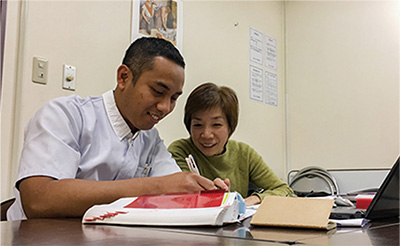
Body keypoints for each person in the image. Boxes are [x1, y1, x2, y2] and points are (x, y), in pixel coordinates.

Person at [7, 38, 228, 221]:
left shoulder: (150, 140)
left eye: (173, 98)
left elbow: (174, 186)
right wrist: (155, 186)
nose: (165, 107)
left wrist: (203, 193)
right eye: (158, 91)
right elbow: (38, 200)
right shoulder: (65, 115)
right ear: (124, 77)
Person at [168, 82, 294, 206]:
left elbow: (284, 190)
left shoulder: (244, 153)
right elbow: (184, 197)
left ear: (230, 127)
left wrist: (255, 199)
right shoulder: (180, 151)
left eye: (216, 125)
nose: (206, 134)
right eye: (198, 125)